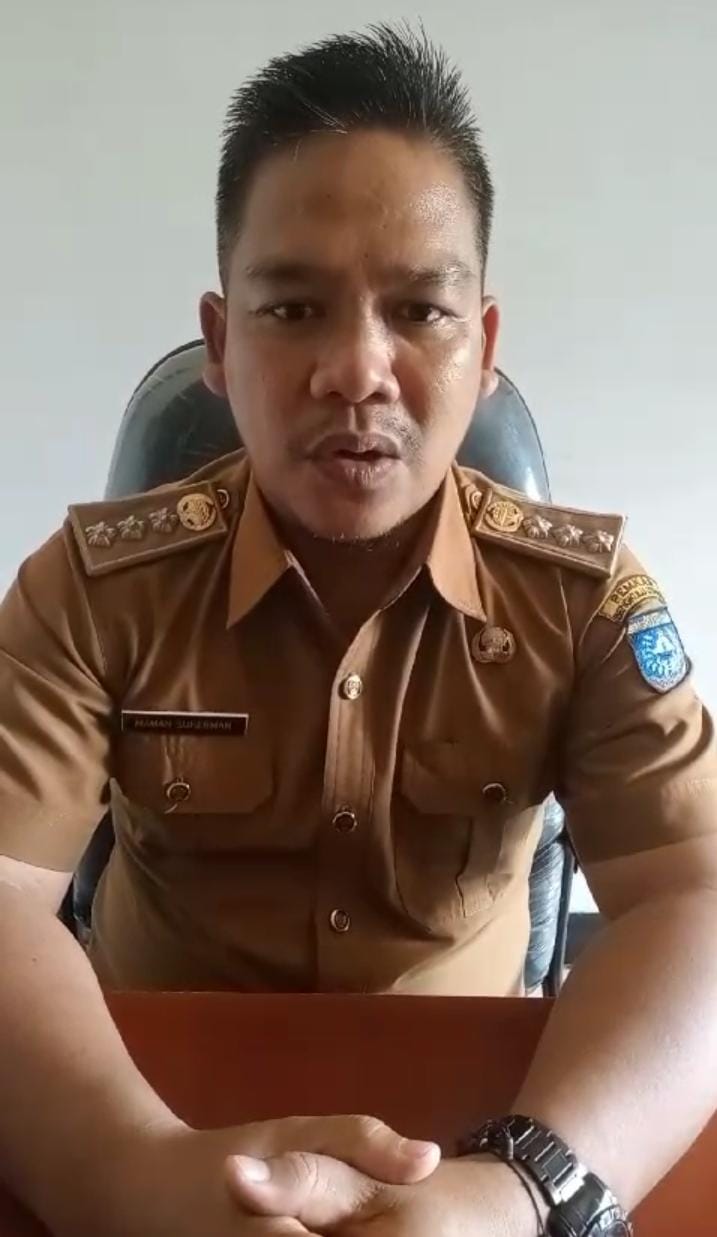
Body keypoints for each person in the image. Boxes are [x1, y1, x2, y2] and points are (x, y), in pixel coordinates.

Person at [1, 21, 716, 1237]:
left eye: (420, 310)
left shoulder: (584, 599)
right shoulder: (94, 585)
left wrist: (524, 1191)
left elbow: (693, 896)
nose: (356, 370)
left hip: (473, 1123)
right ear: (220, 344)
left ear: (484, 348)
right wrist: (127, 1176)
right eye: (294, 308)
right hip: (139, 1099)